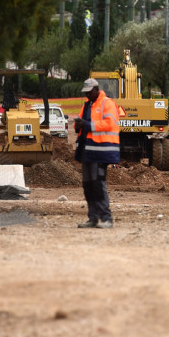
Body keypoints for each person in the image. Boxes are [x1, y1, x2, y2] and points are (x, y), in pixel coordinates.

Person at [74, 77, 120, 228]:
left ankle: (106, 218)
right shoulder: (88, 105)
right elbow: (81, 123)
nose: (87, 95)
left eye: (89, 92)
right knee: (88, 185)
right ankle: (93, 218)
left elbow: (110, 123)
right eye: (85, 93)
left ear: (96, 89)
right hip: (88, 151)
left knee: (98, 184)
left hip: (102, 151)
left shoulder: (107, 103)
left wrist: (87, 125)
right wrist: (78, 125)